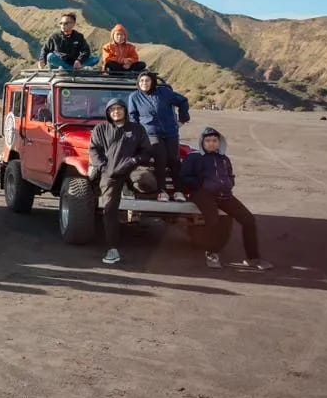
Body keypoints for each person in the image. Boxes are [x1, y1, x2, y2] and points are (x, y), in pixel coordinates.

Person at [180, 127, 272, 271]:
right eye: (208, 141)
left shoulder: (224, 159)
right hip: (202, 194)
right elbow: (184, 177)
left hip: (224, 195)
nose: (211, 144)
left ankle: (253, 258)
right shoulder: (194, 157)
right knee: (214, 220)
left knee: (248, 220)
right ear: (202, 143)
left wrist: (229, 183)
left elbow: (230, 176)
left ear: (219, 142)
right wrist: (201, 185)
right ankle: (212, 254)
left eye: (214, 141)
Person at [88, 97, 154, 266]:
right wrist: (103, 167)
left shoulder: (137, 129)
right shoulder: (100, 128)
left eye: (119, 108)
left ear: (125, 110)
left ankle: (140, 211)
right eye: (112, 109)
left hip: (131, 168)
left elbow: (146, 151)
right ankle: (112, 248)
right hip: (110, 172)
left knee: (147, 181)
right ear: (108, 113)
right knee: (109, 208)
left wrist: (134, 161)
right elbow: (94, 150)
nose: (116, 112)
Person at [129, 71, 191, 201]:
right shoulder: (134, 97)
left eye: (147, 81)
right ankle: (161, 191)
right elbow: (133, 116)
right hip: (151, 133)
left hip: (171, 132)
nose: (144, 83)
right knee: (161, 159)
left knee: (174, 159)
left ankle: (179, 191)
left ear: (152, 82)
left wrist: (182, 120)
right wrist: (137, 133)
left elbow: (183, 101)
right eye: (141, 81)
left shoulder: (164, 92)